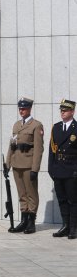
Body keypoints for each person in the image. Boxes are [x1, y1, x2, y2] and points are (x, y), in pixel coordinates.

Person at [5, 98, 44, 234]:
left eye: (24, 108)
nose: (21, 111)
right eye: (20, 108)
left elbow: (38, 149)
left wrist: (35, 169)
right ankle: (24, 220)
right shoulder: (16, 125)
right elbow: (12, 146)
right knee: (22, 194)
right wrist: (7, 164)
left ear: (29, 109)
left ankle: (31, 222)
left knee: (31, 194)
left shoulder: (36, 125)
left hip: (28, 165)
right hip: (17, 164)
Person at [48, 99, 77, 239]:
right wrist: (51, 169)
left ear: (72, 111)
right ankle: (65, 226)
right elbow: (51, 151)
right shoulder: (56, 127)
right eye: (61, 110)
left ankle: (73, 228)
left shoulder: (76, 128)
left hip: (71, 170)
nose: (62, 112)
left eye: (65, 110)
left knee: (73, 200)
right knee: (62, 200)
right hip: (58, 170)